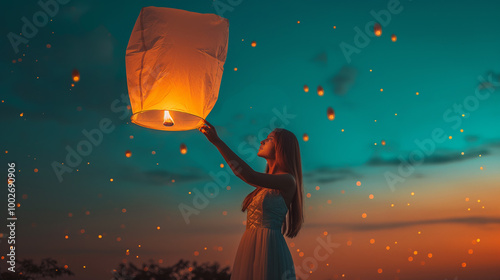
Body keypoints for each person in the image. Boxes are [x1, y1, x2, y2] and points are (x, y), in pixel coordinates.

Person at [198, 119, 304, 280]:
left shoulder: (288, 180)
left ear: (281, 147)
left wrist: (218, 142)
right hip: (251, 244)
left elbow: (248, 175)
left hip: (268, 246)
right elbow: (250, 176)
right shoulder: (265, 185)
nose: (262, 141)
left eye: (269, 139)